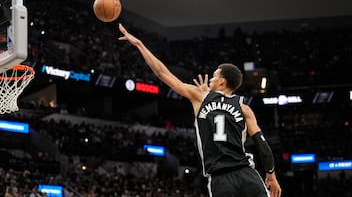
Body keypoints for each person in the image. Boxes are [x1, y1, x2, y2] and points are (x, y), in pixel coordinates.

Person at [118, 23, 282, 197]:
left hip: (220, 179)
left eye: (214, 76)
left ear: (222, 81)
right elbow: (261, 143)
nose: (211, 79)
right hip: (247, 174)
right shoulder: (244, 107)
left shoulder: (200, 97)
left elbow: (161, 72)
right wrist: (270, 174)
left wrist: (139, 44)